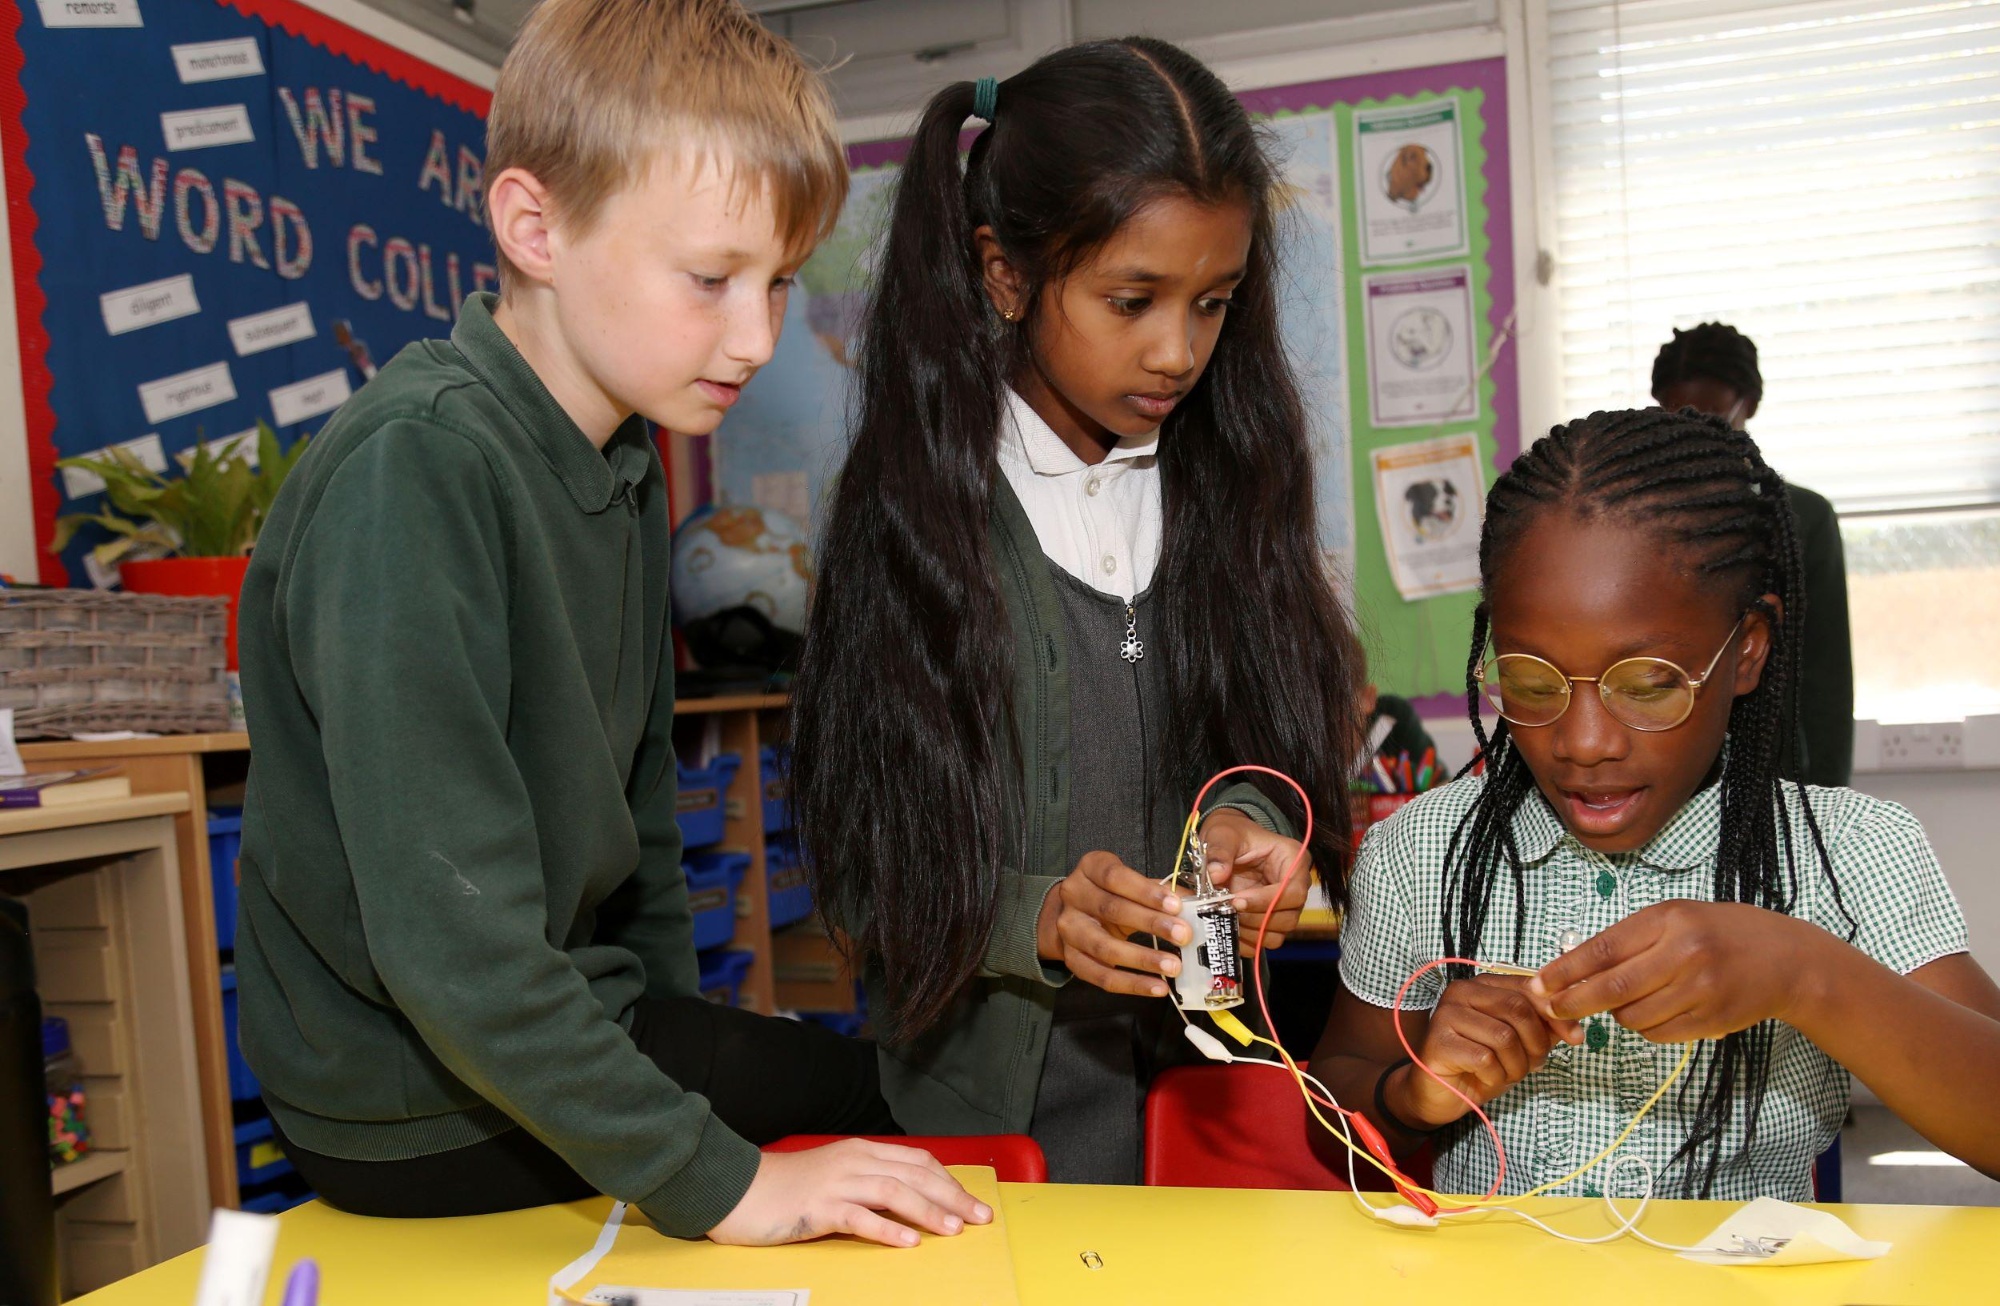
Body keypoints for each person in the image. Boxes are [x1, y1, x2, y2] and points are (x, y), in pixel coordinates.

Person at [234, 0, 985, 1248]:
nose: (756, 336)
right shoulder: (417, 469)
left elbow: (641, 829)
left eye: (778, 283)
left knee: (901, 1096)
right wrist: (717, 1177)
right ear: (534, 228)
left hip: (547, 1029)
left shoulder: (621, 465)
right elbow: (450, 938)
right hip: (407, 1097)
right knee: (895, 1108)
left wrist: (693, 1071)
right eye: (710, 280)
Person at [790, 39, 1362, 1185]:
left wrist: (1250, 821)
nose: (1177, 351)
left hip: (1202, 1115)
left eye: (1212, 303)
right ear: (1003, 274)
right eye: (1130, 301)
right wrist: (1037, 916)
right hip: (987, 1140)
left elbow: (1256, 735)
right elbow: (860, 864)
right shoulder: (912, 514)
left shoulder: (1226, 479)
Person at [1313, 408, 2000, 1199]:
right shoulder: (1425, 851)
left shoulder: (1846, 851)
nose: (1584, 742)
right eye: (1532, 683)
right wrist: (1412, 1093)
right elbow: (1331, 1104)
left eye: (1645, 686)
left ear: (1747, 650)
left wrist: (1805, 975)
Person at [1651, 322, 1854, 786]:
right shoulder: (1637, 518)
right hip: (1663, 770)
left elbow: (1827, 678)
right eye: (1677, 421)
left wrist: (1826, 797)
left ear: (1750, 405)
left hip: (1776, 778)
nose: (1697, 438)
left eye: (1714, 420)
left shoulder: (1803, 519)